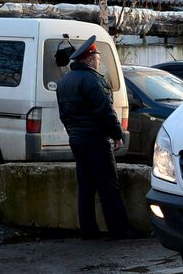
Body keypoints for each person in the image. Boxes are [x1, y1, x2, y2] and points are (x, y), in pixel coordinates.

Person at [55, 38, 131, 240]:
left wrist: (74, 133)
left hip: (77, 140)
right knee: (109, 186)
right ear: (89, 59)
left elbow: (64, 115)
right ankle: (119, 230)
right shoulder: (93, 80)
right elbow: (105, 111)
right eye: (97, 57)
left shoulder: (63, 83)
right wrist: (117, 134)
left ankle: (89, 231)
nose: (99, 61)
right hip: (96, 140)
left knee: (86, 186)